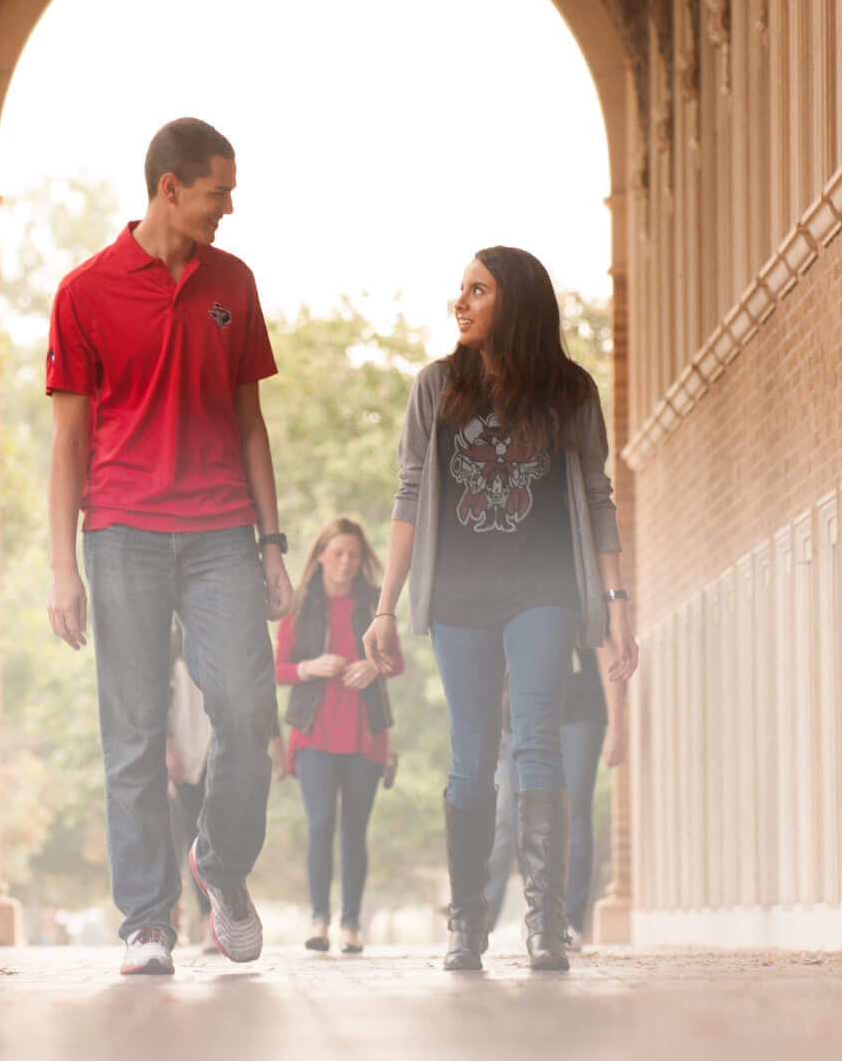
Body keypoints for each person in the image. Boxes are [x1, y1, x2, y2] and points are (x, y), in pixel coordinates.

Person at [45, 117, 293, 977]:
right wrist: (60, 566)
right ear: (169, 188)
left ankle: (219, 866)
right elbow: (68, 441)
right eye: (218, 191)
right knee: (136, 730)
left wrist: (272, 543)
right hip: (122, 534)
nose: (229, 207)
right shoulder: (85, 293)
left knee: (249, 708)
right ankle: (147, 920)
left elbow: (250, 423)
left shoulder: (235, 283)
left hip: (224, 530)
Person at [364, 246, 638, 974]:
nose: (461, 302)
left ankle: (546, 925)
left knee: (539, 742)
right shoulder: (435, 388)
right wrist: (385, 605)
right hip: (459, 597)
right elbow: (411, 495)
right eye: (460, 289)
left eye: (477, 290)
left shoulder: (570, 392)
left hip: (541, 592)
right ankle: (468, 923)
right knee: (471, 753)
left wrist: (617, 605)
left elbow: (600, 498)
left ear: (513, 302)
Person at [270, 519, 405, 954]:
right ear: (322, 556)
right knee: (320, 824)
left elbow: (395, 661)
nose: (345, 562)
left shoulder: (375, 605)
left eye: (353, 555)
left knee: (354, 831)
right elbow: (277, 669)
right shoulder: (301, 604)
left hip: (366, 732)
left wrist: (374, 667)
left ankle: (350, 925)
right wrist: (310, 668)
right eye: (338, 553)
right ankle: (319, 921)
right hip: (314, 733)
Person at [483, 646, 627, 941]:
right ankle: (539, 911)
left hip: (580, 708)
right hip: (521, 713)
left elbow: (605, 650)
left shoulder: (585, 601)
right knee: (520, 817)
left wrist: (617, 724)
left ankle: (568, 920)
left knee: (574, 814)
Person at [165, 618, 212, 945]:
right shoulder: (167, 647)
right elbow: (154, 704)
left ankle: (212, 922)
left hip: (211, 750)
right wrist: (166, 751)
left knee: (205, 840)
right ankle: (168, 917)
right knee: (173, 841)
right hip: (177, 755)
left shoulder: (216, 640)